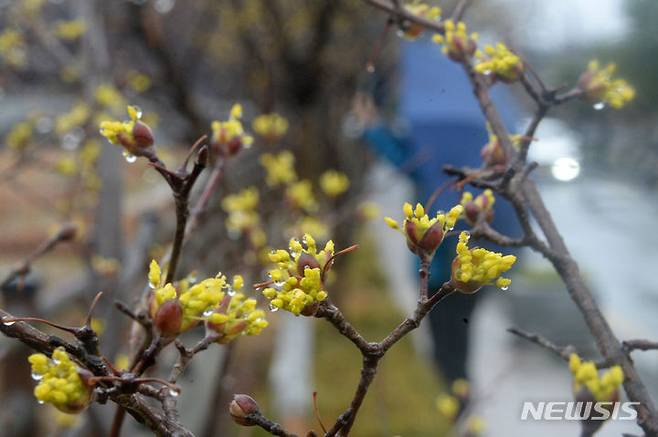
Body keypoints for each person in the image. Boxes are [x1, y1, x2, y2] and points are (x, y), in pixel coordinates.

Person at [352, 36, 521, 386]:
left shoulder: (442, 136)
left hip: (448, 261)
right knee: (455, 339)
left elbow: (412, 164)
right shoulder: (484, 136)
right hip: (482, 256)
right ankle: (457, 395)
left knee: (448, 344)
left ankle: (457, 402)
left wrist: (371, 129)